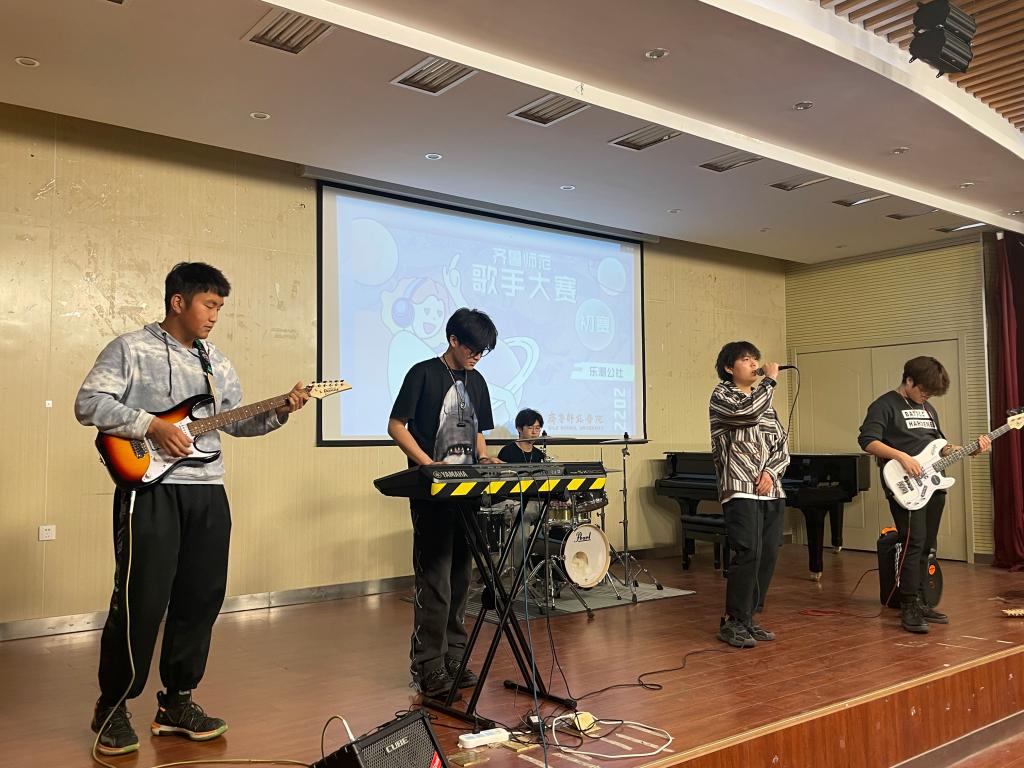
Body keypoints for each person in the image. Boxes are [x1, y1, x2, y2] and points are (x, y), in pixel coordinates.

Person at [75, 262, 310, 755]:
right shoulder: (130, 348)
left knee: (201, 597)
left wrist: (280, 411)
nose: (215, 315)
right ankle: (112, 706)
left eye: (220, 307)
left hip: (208, 491)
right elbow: (89, 402)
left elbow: (236, 422)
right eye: (209, 304)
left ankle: (177, 702)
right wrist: (150, 425)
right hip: (150, 490)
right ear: (178, 302)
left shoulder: (215, 360)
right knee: (141, 599)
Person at [387, 308, 499, 699]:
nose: (477, 356)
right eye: (472, 349)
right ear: (453, 340)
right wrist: (427, 464)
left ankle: (454, 657)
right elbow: (396, 425)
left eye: (483, 351)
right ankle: (428, 664)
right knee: (434, 580)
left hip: (468, 492)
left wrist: (483, 457)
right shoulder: (422, 373)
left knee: (461, 578)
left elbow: (479, 431)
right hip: (431, 493)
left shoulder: (477, 380)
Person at [858, 356, 990, 634]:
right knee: (912, 542)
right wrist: (901, 456)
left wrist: (970, 450)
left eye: (931, 394)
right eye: (924, 391)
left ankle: (921, 600)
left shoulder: (928, 408)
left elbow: (940, 447)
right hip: (905, 484)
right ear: (908, 381)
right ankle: (907, 604)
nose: (927, 397)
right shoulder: (884, 405)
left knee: (928, 545)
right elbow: (867, 440)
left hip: (933, 485)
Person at [709, 341, 790, 649]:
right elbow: (747, 414)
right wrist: (770, 381)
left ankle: (748, 617)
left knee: (768, 554)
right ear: (730, 367)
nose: (755, 364)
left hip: (771, 490)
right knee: (748, 552)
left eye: (756, 359)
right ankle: (732, 621)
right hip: (740, 488)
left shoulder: (766, 401)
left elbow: (781, 445)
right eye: (746, 359)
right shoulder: (723, 395)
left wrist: (770, 473)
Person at [497, 409, 548, 572]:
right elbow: (501, 486)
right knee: (522, 515)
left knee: (559, 515)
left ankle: (548, 569)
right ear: (519, 428)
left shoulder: (540, 455)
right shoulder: (507, 452)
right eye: (530, 428)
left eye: (538, 428)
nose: (535, 432)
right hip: (512, 502)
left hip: (535, 501)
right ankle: (521, 573)